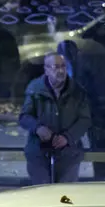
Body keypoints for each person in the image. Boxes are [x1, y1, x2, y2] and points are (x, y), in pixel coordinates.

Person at [20, 53, 93, 184]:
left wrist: (68, 137)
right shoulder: (35, 89)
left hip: (69, 152)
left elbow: (85, 120)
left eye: (63, 66)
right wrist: (38, 128)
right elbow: (24, 116)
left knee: (65, 196)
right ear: (46, 69)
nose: (60, 71)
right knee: (41, 194)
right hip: (39, 151)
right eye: (56, 67)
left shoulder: (77, 91)